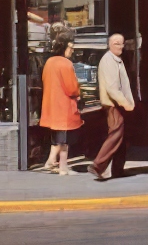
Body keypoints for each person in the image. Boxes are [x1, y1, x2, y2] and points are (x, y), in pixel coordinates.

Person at [90, 33, 136, 181]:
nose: (120, 46)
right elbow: (111, 88)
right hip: (113, 104)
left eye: (122, 43)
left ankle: (117, 169)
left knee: (122, 137)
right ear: (109, 44)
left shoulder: (117, 60)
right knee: (116, 133)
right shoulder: (109, 61)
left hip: (118, 104)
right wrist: (125, 103)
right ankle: (98, 164)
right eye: (116, 43)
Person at [39, 24, 81, 176]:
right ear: (64, 47)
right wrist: (78, 91)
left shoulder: (49, 62)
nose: (72, 50)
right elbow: (71, 88)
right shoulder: (66, 64)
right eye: (71, 47)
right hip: (64, 107)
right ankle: (63, 167)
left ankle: (51, 162)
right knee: (64, 141)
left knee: (56, 138)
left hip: (51, 106)